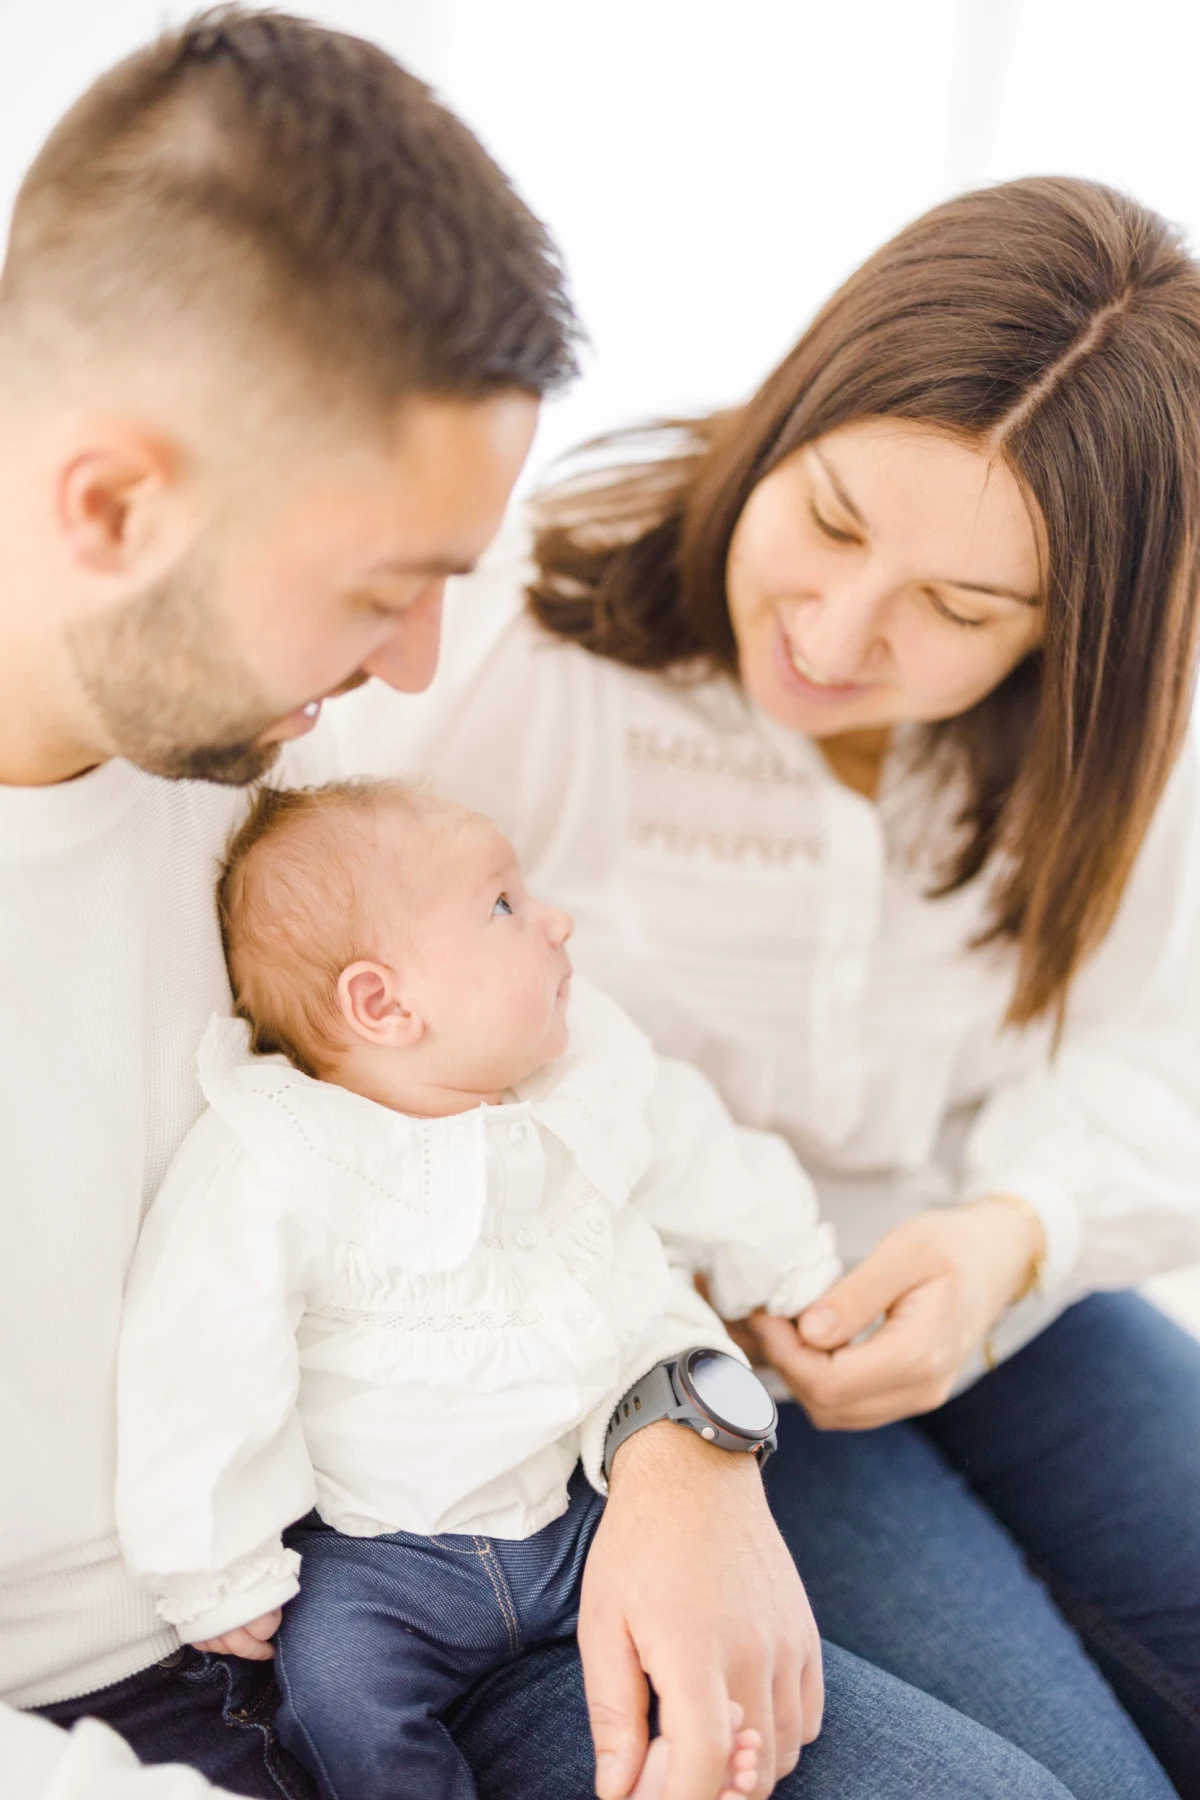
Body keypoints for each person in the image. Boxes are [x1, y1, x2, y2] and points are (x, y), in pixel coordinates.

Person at [0, 10, 1092, 1800]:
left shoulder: (262, 775)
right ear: (112, 506)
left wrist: (683, 1428)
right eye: (387, 586)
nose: (417, 663)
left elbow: (554, 1105)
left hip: (434, 1551)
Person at [322, 176, 1200, 1799]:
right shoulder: (529, 637)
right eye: (837, 522)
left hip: (975, 1268)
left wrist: (1019, 1234)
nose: (838, 631)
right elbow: (308, 1046)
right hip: (667, 1338)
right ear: (788, 411)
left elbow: (1166, 1046)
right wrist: (676, 1384)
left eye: (961, 609)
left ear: (1073, 631)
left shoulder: (1122, 730)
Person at [116, 776, 846, 1800]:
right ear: (383, 1002)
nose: (557, 921)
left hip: (588, 1503)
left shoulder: (584, 1070)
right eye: (504, 906)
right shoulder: (280, 1161)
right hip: (388, 1563)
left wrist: (794, 1267)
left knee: (701, 1611)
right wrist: (214, 1564)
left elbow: (698, 1155)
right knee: (333, 1690)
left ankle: (707, 1746)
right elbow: (200, 1361)